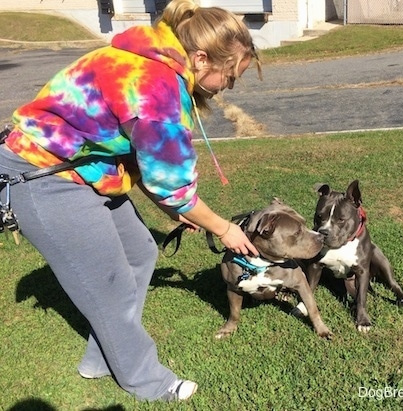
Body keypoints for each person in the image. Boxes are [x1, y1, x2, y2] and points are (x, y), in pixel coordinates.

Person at [0, 0, 260, 402]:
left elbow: (141, 162)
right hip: (42, 176)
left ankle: (102, 356)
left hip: (86, 171)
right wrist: (222, 228)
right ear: (202, 57)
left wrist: (173, 208)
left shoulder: (150, 57)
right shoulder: (155, 89)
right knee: (111, 286)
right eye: (229, 77)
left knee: (140, 252)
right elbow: (171, 186)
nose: (228, 87)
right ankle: (147, 381)